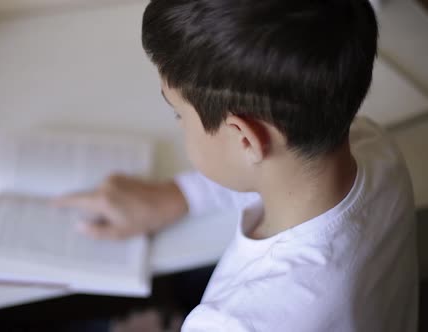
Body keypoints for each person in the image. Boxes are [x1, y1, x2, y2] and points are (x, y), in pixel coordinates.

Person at [55, 0, 418, 330]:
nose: (179, 122)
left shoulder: (230, 321)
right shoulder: (374, 145)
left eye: (178, 112)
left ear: (245, 139)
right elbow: (278, 166)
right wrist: (180, 195)